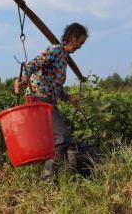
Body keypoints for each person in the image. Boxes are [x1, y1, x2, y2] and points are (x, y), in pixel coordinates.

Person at [13, 22, 88, 178]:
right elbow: (33, 64)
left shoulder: (64, 58)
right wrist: (24, 79)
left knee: (55, 140)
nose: (80, 47)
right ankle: (47, 180)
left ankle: (61, 176)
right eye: (80, 42)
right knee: (63, 137)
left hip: (49, 100)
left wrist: (69, 97)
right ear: (72, 37)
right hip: (39, 98)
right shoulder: (55, 50)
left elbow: (56, 87)